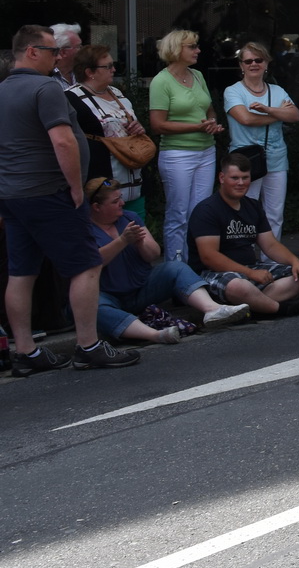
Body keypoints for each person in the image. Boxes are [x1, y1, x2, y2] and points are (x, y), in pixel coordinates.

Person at [3, 26, 140, 375]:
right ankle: (88, 346)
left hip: (14, 195)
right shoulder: (46, 87)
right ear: (31, 52)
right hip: (49, 191)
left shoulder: (2, 90)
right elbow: (63, 141)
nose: (58, 58)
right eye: (52, 51)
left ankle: (25, 352)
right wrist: (76, 188)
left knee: (21, 272)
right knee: (87, 264)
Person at [89, 177, 251, 343]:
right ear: (96, 207)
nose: (122, 203)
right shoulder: (84, 228)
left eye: (121, 198)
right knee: (92, 306)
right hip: (110, 295)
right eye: (115, 201)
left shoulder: (129, 218)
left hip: (142, 287)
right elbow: (93, 262)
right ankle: (155, 335)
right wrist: (122, 241)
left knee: (176, 267)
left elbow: (153, 254)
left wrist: (140, 243)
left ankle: (212, 309)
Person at [190, 155, 299, 318]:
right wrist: (250, 274)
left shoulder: (253, 206)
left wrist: (296, 262)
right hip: (214, 273)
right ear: (222, 178)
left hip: (250, 268)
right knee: (239, 287)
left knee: (298, 277)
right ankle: (280, 309)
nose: (240, 183)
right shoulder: (207, 210)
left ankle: (253, 306)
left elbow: (270, 245)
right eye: (235, 178)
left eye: (245, 178)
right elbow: (209, 257)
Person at [149, 29, 221, 266]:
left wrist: (211, 123)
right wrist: (197, 128)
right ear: (176, 50)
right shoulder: (161, 81)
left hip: (206, 151)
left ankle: (196, 265)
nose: (198, 50)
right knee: (178, 214)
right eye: (192, 46)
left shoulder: (198, 75)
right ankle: (176, 270)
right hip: (177, 154)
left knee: (199, 212)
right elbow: (158, 125)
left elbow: (208, 109)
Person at [223, 42, 299, 240]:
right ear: (241, 65)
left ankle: (272, 261)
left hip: (276, 158)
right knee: (245, 211)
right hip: (245, 160)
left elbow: (296, 116)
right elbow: (246, 119)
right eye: (248, 61)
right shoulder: (233, 91)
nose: (254, 64)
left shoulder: (277, 90)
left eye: (259, 60)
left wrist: (268, 110)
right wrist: (279, 114)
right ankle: (245, 258)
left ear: (266, 63)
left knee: (275, 213)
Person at [67, 45, 148, 217]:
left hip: (133, 175)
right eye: (108, 66)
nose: (114, 69)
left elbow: (131, 123)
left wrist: (139, 128)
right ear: (90, 72)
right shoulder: (71, 98)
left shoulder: (117, 93)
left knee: (136, 229)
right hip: (102, 178)